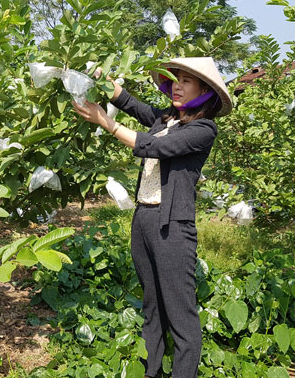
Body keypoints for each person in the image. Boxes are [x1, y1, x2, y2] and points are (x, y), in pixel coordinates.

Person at [72, 57, 232, 378]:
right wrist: (100, 77)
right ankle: (151, 371)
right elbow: (130, 102)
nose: (177, 85)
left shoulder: (203, 129)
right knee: (152, 308)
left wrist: (107, 123)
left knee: (181, 313)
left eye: (187, 81)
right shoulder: (165, 118)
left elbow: (156, 148)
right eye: (176, 79)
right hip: (144, 220)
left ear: (204, 90)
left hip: (172, 226)